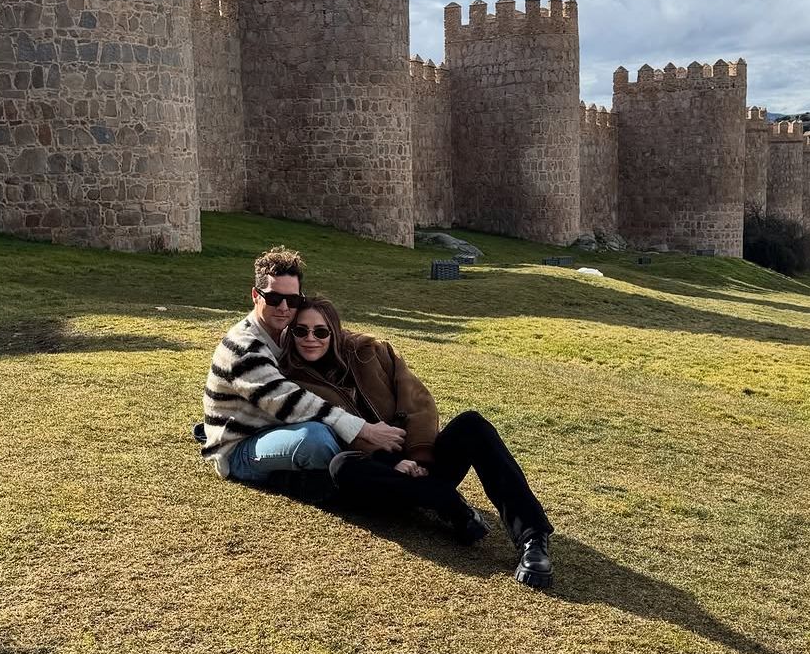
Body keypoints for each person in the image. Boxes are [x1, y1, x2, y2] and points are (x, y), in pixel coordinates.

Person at [283, 295, 555, 589]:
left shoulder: (371, 350)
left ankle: (532, 539)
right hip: (379, 479)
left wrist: (420, 455)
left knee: (472, 424)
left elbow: (417, 400)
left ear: (334, 332)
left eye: (320, 331)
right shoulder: (292, 382)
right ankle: (446, 501)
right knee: (341, 465)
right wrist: (394, 462)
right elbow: (331, 436)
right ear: (291, 333)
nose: (311, 339)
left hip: (421, 462)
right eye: (301, 331)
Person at [199, 246, 406, 490]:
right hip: (240, 448)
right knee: (316, 438)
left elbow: (323, 335)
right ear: (256, 296)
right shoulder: (244, 348)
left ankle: (374, 471)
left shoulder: (287, 333)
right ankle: (385, 475)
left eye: (293, 300)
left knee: (327, 427)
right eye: (274, 298)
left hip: (278, 428)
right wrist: (365, 430)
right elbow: (288, 400)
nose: (284, 307)